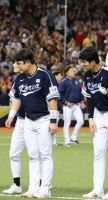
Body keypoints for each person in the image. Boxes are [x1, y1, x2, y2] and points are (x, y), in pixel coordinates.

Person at [5, 48, 60, 198]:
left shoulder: (45, 75)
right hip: (28, 121)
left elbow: (53, 99)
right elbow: (16, 99)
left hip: (44, 120)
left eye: (20, 63)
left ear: (29, 62)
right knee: (33, 156)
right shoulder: (20, 78)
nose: (17, 66)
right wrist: (11, 116)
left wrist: (54, 121)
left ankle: (45, 189)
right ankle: (33, 188)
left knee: (46, 155)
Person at [79, 46, 108, 198]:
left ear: (93, 61)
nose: (82, 64)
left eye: (84, 62)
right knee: (98, 153)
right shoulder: (87, 76)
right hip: (98, 116)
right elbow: (88, 97)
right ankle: (97, 189)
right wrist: (90, 118)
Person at [3, 62, 25, 195]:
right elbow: (15, 100)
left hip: (38, 120)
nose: (14, 65)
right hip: (21, 121)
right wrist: (11, 115)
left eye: (17, 63)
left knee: (38, 155)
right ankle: (17, 185)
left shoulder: (41, 76)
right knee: (14, 153)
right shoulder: (17, 79)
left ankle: (43, 186)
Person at [59, 65, 84, 145]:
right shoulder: (64, 82)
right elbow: (59, 94)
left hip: (76, 105)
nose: (74, 72)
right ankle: (67, 141)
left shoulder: (76, 81)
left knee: (81, 121)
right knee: (67, 123)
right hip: (67, 106)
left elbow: (80, 92)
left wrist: (82, 101)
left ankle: (73, 137)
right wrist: (65, 102)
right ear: (67, 73)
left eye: (74, 71)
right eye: (72, 71)